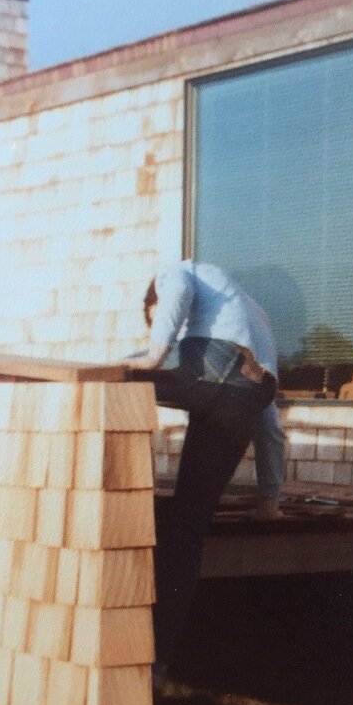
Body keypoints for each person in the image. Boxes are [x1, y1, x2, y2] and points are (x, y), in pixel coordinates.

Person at [121, 261, 279, 666]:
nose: (167, 331)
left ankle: (142, 656)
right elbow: (270, 426)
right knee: (186, 529)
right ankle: (159, 660)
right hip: (244, 401)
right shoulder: (256, 319)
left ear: (155, 300)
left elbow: (176, 291)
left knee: (119, 374)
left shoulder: (181, 271)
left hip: (212, 373)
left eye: (159, 321)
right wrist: (269, 498)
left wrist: (155, 354)